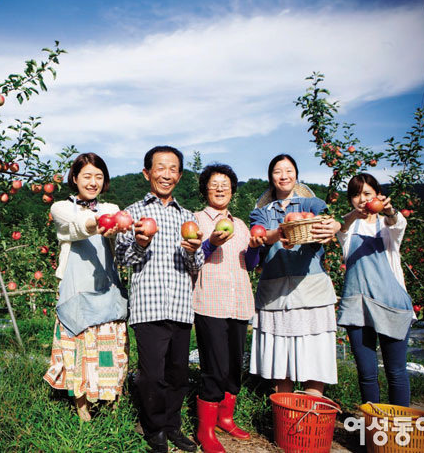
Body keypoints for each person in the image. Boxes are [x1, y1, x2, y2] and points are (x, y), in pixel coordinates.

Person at [115, 146, 204, 453]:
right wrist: (140, 244)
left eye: (173, 169)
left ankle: (172, 425)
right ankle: (154, 430)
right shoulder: (132, 214)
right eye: (160, 168)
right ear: (147, 173)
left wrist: (193, 252)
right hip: (148, 307)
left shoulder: (188, 217)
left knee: (178, 373)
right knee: (152, 375)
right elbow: (123, 259)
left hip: (180, 306)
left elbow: (198, 264)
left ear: (179, 175)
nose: (167, 174)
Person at [43, 152, 130, 422]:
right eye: (87, 176)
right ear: (75, 178)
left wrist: (117, 227)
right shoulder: (61, 208)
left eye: (99, 177)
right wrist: (101, 223)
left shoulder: (112, 208)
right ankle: (83, 408)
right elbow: (76, 227)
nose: (93, 182)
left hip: (106, 286)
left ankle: (110, 401)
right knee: (79, 348)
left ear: (105, 182)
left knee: (108, 348)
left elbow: (119, 242)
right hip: (76, 288)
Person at [248, 154, 341, 396]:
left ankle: (312, 412)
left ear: (296, 174)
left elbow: (328, 220)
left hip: (311, 291)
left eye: (288, 170)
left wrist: (335, 226)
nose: (284, 176)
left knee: (314, 353)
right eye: (278, 171)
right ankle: (286, 414)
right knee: (281, 357)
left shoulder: (311, 205)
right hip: (275, 294)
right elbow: (259, 235)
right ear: (271, 178)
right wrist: (281, 232)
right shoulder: (261, 212)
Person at [192, 164, 264, 453]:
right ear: (205, 190)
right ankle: (205, 430)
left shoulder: (242, 225)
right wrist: (210, 244)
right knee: (215, 366)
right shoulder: (196, 220)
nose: (220, 188)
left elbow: (253, 263)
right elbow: (193, 259)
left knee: (234, 363)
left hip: (240, 302)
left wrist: (257, 247)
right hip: (210, 302)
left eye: (225, 184)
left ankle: (226, 417)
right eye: (214, 184)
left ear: (233, 190)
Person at [336, 173, 412, 406]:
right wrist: (352, 215)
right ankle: (373, 430)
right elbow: (341, 227)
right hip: (357, 306)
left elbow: (398, 223)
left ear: (377, 195)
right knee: (367, 374)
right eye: (356, 195)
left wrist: (388, 211)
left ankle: (400, 431)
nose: (361, 199)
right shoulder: (348, 227)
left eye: (367, 194)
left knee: (396, 371)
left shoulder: (387, 226)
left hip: (390, 303)